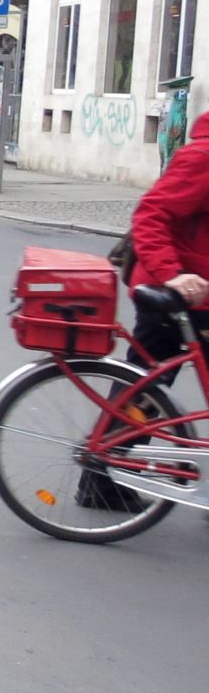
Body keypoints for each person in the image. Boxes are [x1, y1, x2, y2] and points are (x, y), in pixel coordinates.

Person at [78, 108, 209, 510]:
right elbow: (152, 213)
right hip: (174, 294)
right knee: (144, 387)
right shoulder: (204, 157)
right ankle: (102, 476)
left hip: (192, 291)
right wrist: (173, 275)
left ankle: (103, 476)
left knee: (144, 384)